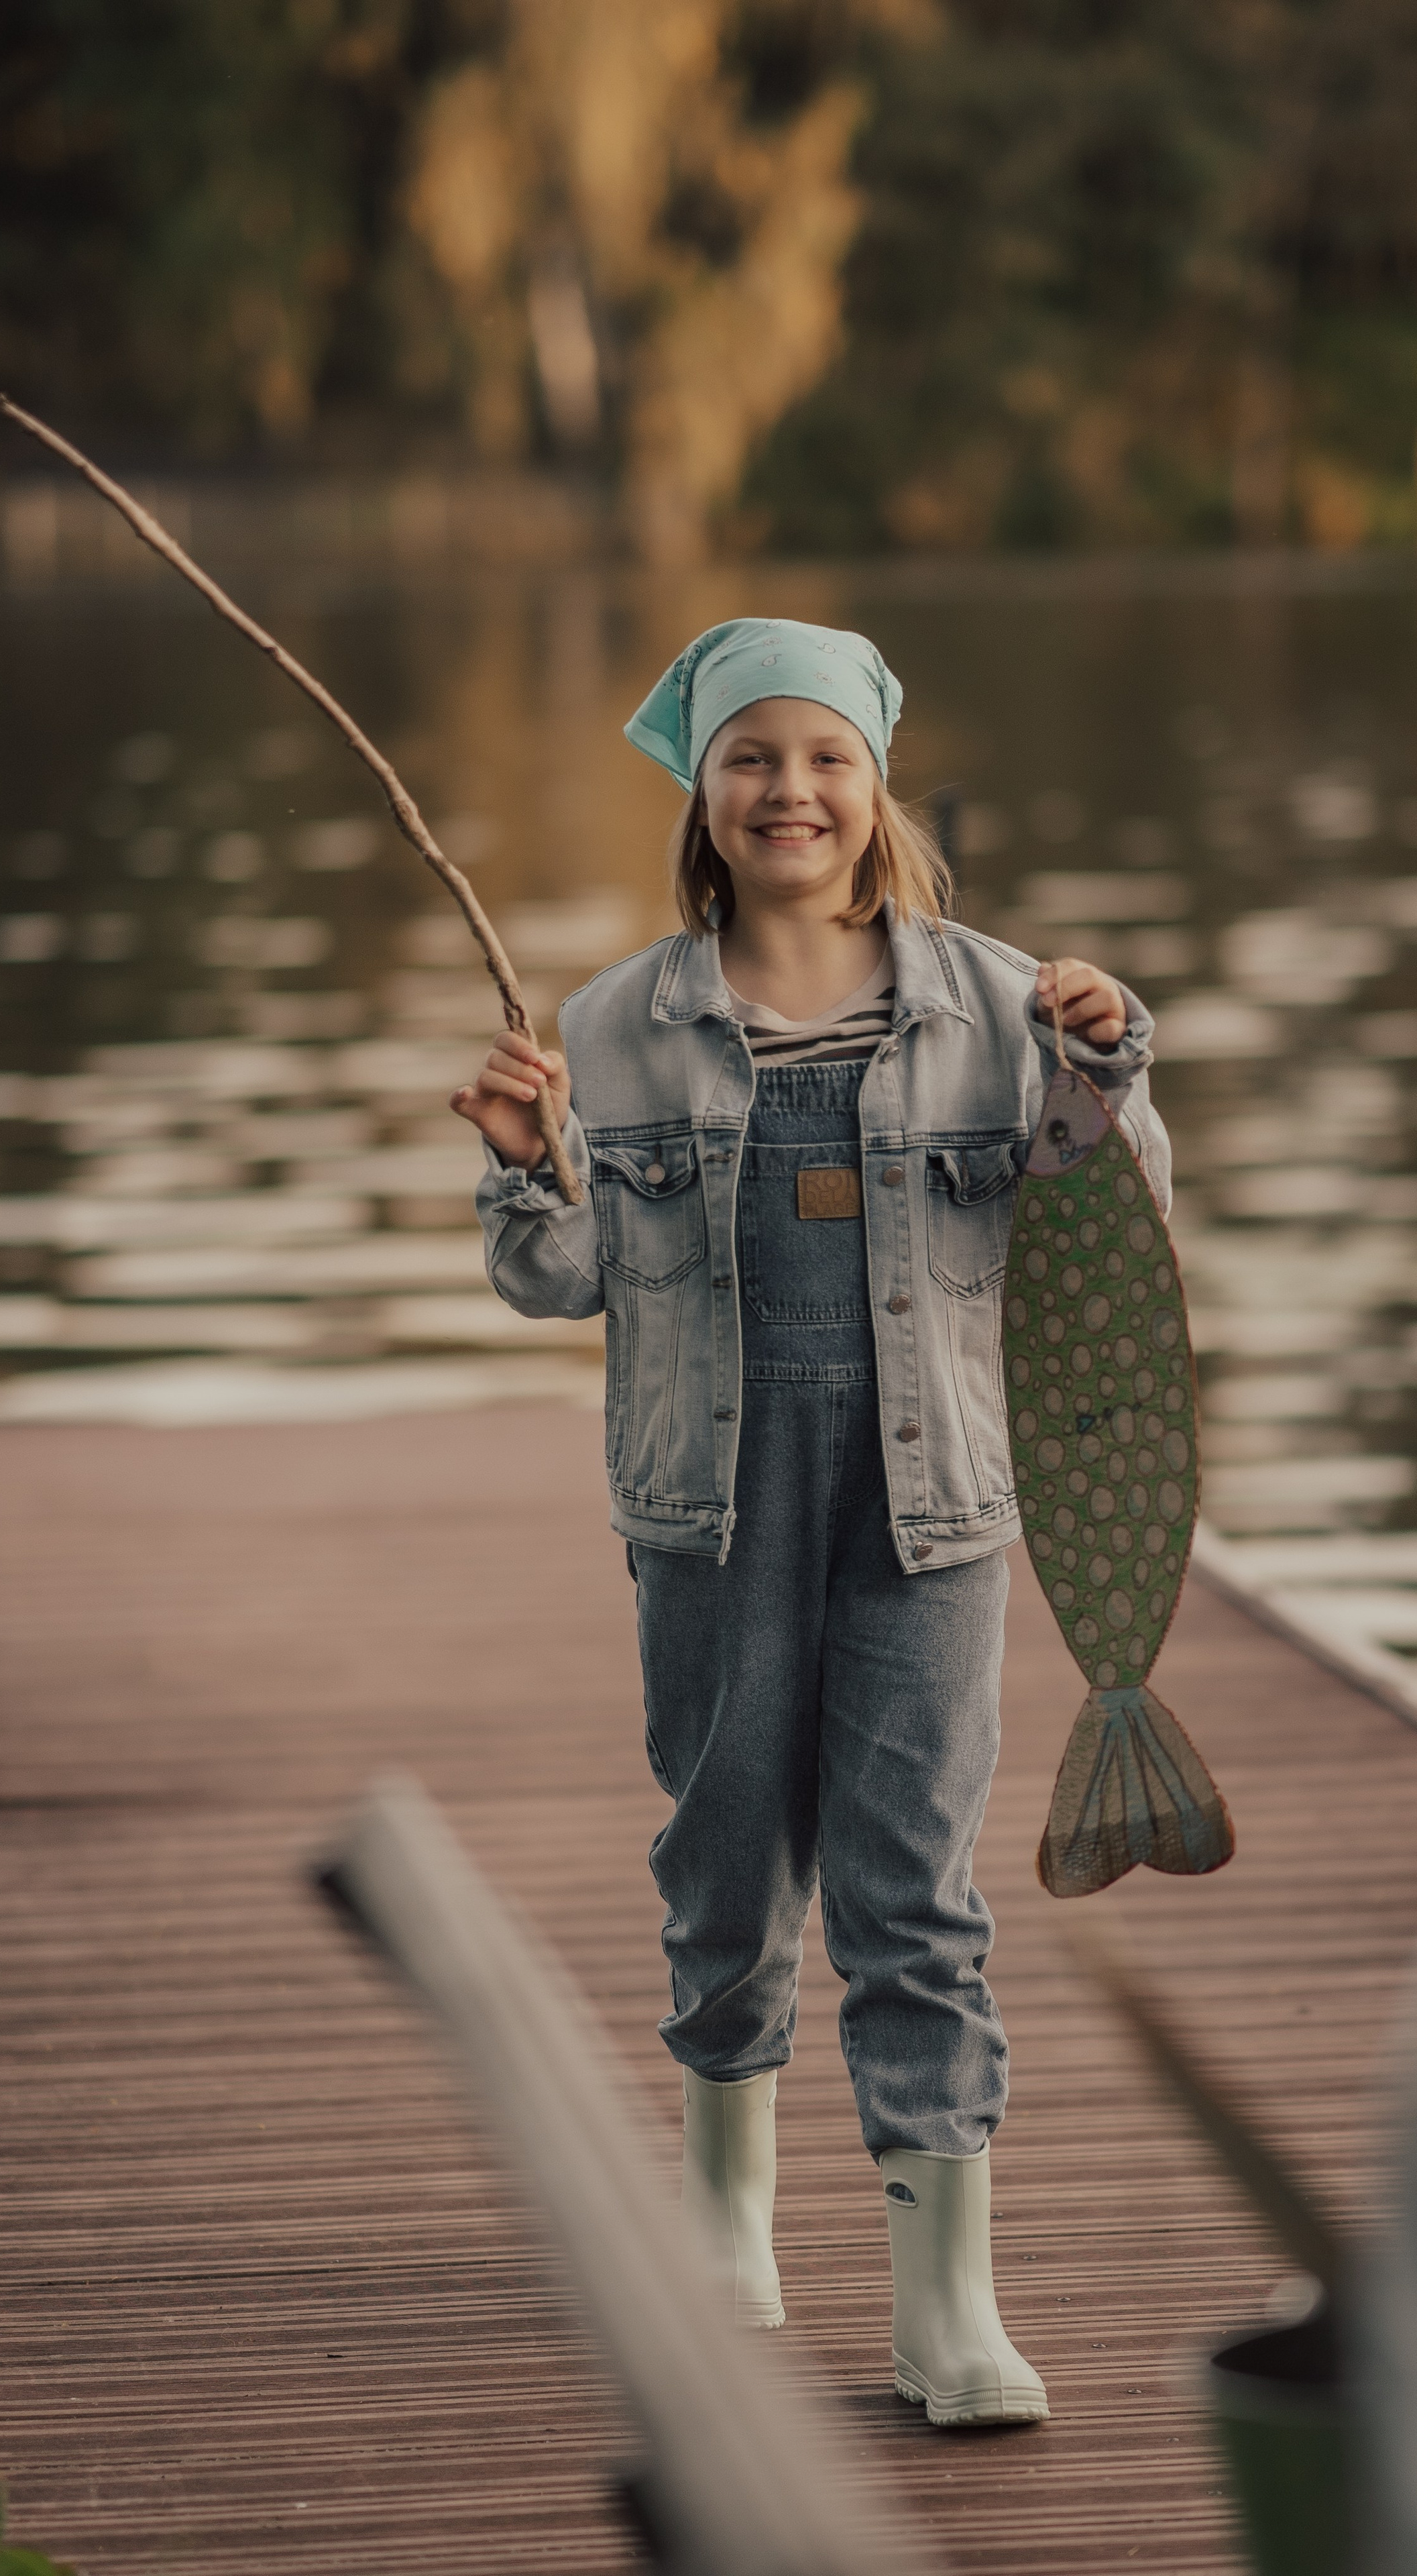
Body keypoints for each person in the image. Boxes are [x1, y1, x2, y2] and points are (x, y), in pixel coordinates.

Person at [451, 617, 1169, 2428]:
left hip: (937, 1507)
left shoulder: (1003, 1001)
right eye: (753, 758)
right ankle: (726, 2221)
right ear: (702, 791)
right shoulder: (613, 1024)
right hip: (709, 1506)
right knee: (726, 1852)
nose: (793, 790)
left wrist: (1110, 1067)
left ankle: (948, 2309)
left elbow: (1118, 1228)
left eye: (826, 756)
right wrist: (525, 1166)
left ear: (877, 783)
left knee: (912, 1883)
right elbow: (559, 1280)